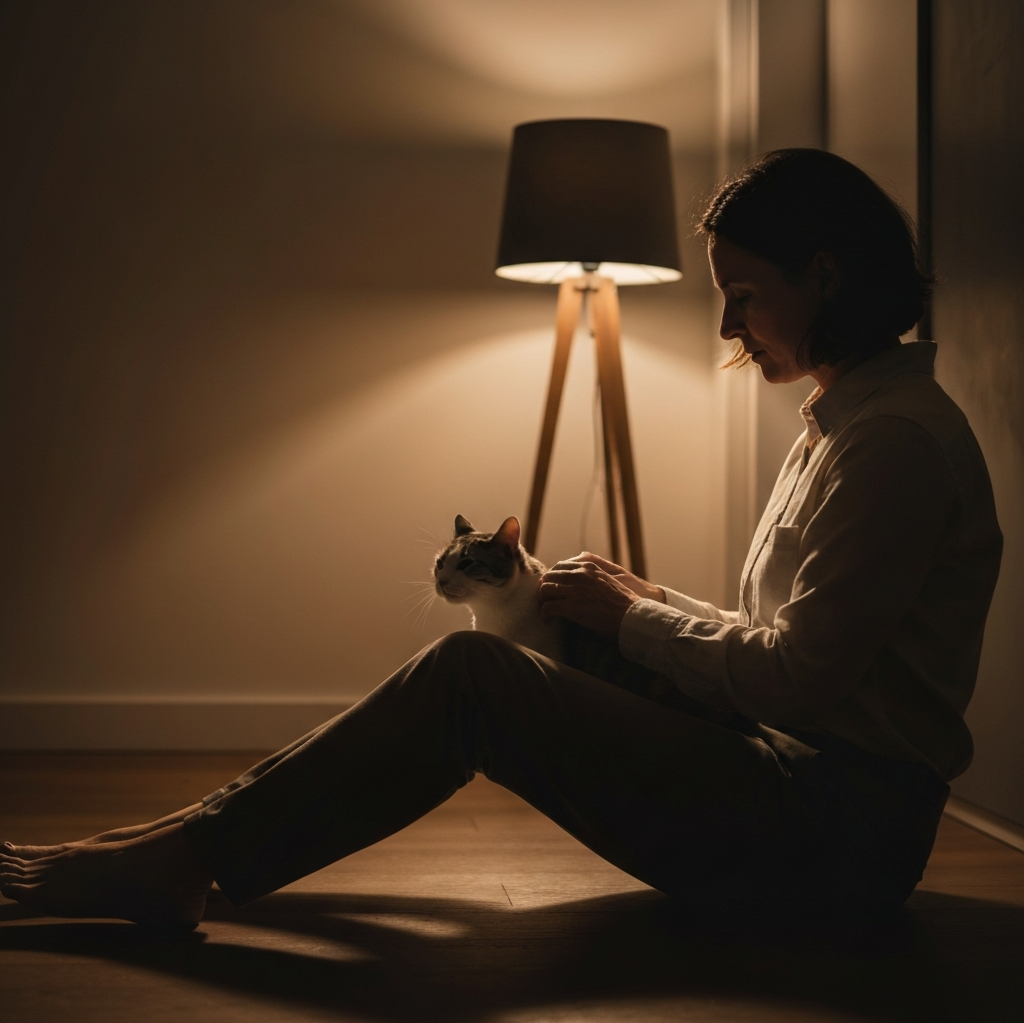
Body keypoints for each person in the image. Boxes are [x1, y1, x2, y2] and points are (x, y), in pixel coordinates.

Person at [0, 149, 1002, 930]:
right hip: (796, 785)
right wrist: (650, 605)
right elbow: (790, 642)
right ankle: (189, 842)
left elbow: (796, 684)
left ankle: (182, 854)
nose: (727, 328)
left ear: (821, 276)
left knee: (477, 675)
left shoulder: (893, 448)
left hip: (830, 840)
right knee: (493, 662)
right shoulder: (846, 426)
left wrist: (636, 623)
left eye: (741, 295)